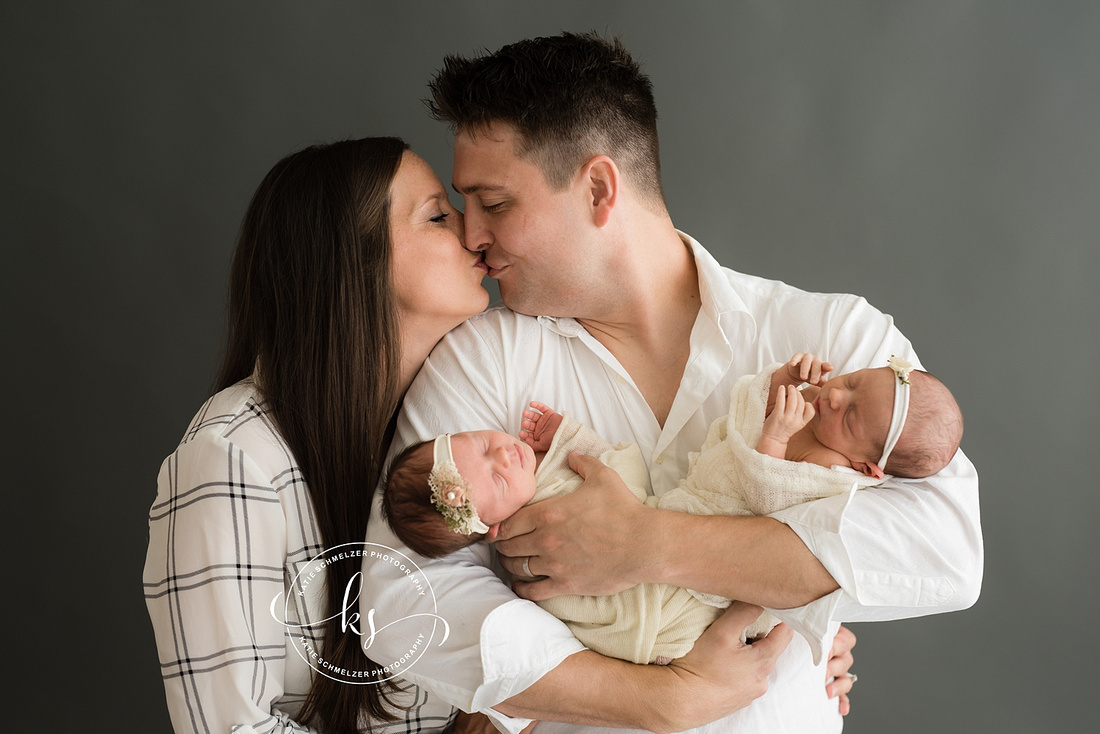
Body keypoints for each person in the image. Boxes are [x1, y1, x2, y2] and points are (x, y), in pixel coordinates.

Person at [361, 32, 981, 734]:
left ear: (599, 189)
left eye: (495, 203)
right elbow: (402, 599)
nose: (471, 234)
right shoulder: (481, 358)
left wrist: (648, 544)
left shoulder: (834, 337)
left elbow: (943, 549)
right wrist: (661, 699)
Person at [143, 136, 800, 734]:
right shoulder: (235, 458)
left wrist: (795, 642)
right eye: (436, 215)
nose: (473, 232)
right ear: (353, 264)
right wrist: (667, 697)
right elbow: (232, 728)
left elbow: (548, 638)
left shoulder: (465, 432)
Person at [381, 353, 963, 666]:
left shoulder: (839, 479)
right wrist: (780, 382)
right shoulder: (518, 530)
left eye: (853, 412)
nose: (835, 393)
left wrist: (774, 442)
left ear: (868, 469)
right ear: (487, 525)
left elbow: (773, 512)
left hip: (712, 557)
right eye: (853, 380)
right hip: (665, 569)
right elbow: (615, 478)